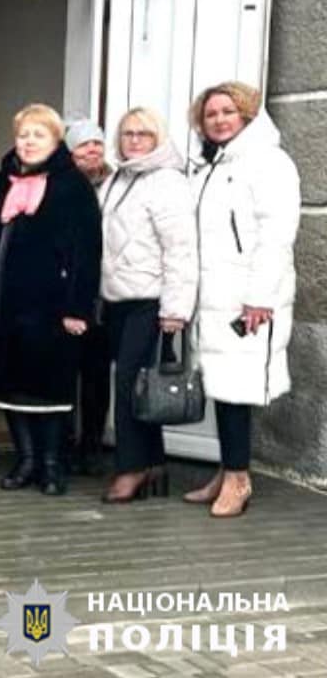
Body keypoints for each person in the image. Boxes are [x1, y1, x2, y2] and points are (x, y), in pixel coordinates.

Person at [184, 82, 300, 518]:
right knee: (220, 386)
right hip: (213, 296)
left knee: (237, 388)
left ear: (247, 115)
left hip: (245, 300)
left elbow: (276, 236)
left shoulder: (268, 162)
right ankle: (225, 469)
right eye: (210, 113)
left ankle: (238, 479)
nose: (218, 119)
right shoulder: (209, 165)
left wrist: (258, 297)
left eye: (227, 111)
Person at [0, 104, 102, 497]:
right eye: (23, 135)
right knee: (12, 388)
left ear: (55, 141)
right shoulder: (2, 182)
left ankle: (52, 464)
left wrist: (77, 307)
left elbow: (87, 251)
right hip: (7, 306)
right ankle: (26, 460)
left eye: (39, 135)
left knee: (49, 388)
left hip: (53, 307)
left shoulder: (73, 186)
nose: (29, 142)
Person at [98, 107, 197, 503]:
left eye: (143, 134)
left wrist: (175, 309)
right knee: (139, 388)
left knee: (127, 386)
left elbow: (181, 250)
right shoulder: (118, 179)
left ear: (158, 138)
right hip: (117, 298)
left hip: (150, 300)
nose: (134, 140)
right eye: (127, 134)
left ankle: (131, 469)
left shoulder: (167, 183)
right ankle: (153, 461)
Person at [64, 117, 114, 475]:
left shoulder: (118, 184)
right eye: (84, 145)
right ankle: (65, 442)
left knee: (97, 375)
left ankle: (92, 443)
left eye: (97, 143)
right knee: (66, 372)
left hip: (106, 292)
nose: (93, 150)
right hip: (70, 291)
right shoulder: (63, 186)